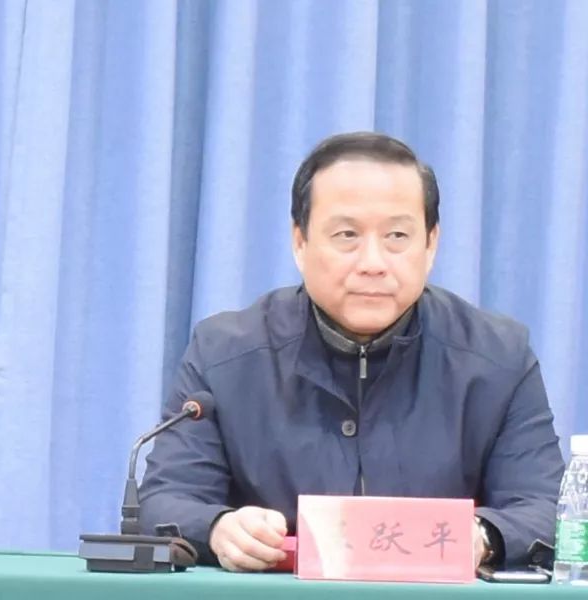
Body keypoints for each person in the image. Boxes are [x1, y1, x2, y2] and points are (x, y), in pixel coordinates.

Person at [139, 131, 565, 572]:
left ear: (431, 244)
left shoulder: (498, 359)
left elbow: (548, 506)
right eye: (346, 235)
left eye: (397, 235)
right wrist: (218, 528)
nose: (373, 263)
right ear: (300, 242)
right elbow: (164, 500)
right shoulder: (225, 354)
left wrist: (482, 537)